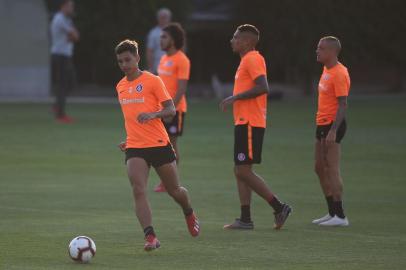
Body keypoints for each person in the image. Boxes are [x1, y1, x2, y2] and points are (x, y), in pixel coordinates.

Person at [114, 39, 200, 251]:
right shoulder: (120, 86)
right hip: (135, 147)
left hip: (159, 144)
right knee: (138, 190)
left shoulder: (153, 81)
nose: (124, 64)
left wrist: (153, 114)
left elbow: (171, 110)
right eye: (120, 61)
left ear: (137, 58)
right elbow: (131, 118)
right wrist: (130, 138)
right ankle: (150, 236)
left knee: (174, 191)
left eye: (128, 59)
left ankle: (188, 211)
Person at [220, 24, 292, 230]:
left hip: (250, 122)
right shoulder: (246, 61)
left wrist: (236, 97)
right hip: (244, 122)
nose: (232, 40)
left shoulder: (252, 58)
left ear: (247, 41)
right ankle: (245, 219)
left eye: (236, 37)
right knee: (240, 170)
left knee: (242, 170)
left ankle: (279, 207)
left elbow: (263, 87)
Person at [312, 36, 351, 226]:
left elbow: (343, 104)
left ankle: (341, 216)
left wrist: (333, 130)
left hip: (332, 125)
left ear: (332, 52)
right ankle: (332, 212)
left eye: (321, 48)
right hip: (321, 124)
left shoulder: (339, 73)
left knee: (332, 168)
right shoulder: (326, 69)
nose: (317, 51)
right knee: (319, 167)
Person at [154, 22, 190, 193]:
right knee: (160, 144)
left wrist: (171, 110)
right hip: (162, 110)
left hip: (176, 110)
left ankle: (171, 183)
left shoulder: (182, 60)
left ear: (173, 40)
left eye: (164, 37)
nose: (160, 40)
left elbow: (181, 89)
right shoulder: (163, 59)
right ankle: (166, 181)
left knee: (171, 144)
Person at [50, 0, 79, 123]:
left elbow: (75, 36)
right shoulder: (60, 19)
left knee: (70, 83)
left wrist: (72, 36)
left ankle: (57, 105)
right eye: (70, 6)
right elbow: (74, 35)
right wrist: (72, 36)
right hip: (60, 55)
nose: (72, 8)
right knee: (63, 85)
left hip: (65, 55)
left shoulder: (67, 19)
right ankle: (60, 115)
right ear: (63, 6)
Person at [146, 8, 172, 74]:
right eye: (161, 17)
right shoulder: (153, 33)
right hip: (159, 67)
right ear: (158, 18)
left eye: (165, 17)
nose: (163, 19)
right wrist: (150, 68)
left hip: (173, 67)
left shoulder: (175, 32)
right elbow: (149, 51)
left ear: (169, 18)